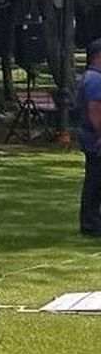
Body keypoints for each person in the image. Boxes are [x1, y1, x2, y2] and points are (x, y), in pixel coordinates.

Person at [76, 38, 101, 236]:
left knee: (95, 181)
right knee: (95, 182)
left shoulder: (90, 77)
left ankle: (91, 221)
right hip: (95, 139)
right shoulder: (95, 79)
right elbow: (95, 109)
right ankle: (90, 223)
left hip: (89, 138)